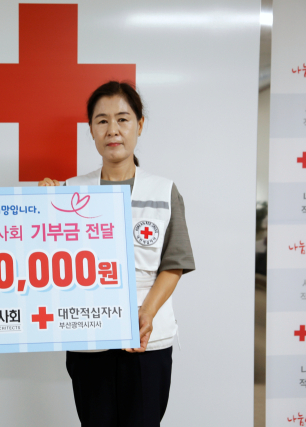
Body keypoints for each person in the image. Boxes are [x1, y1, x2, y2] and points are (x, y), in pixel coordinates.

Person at [39, 81, 195, 427]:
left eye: (123, 119)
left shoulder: (163, 190)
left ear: (140, 125)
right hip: (89, 335)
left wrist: (146, 314)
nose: (113, 130)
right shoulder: (68, 191)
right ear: (91, 130)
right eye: (102, 121)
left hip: (147, 339)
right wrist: (42, 207)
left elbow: (174, 263)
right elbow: (47, 262)